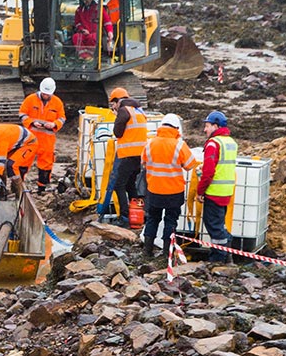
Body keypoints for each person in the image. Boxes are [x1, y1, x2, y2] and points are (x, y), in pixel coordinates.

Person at [139, 112, 195, 263]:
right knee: (170, 221)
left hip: (154, 190)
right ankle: (166, 253)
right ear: (177, 128)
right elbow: (191, 165)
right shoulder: (179, 145)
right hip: (173, 192)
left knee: (152, 219)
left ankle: (147, 250)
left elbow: (143, 162)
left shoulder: (150, 143)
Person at [194, 110, 237, 259]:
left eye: (207, 126)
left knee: (214, 226)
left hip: (214, 192)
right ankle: (227, 249)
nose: (205, 129)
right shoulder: (231, 142)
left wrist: (200, 191)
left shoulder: (213, 144)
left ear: (215, 126)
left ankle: (219, 257)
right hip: (226, 191)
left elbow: (209, 172)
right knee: (219, 224)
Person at [100, 87, 147, 226]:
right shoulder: (138, 110)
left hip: (128, 155)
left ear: (117, 101)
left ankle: (125, 216)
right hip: (139, 156)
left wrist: (117, 116)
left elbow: (118, 132)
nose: (113, 107)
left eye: (113, 104)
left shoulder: (123, 110)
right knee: (130, 184)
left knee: (119, 185)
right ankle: (136, 213)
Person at [18, 78, 67, 194]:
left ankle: (42, 188)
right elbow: (22, 114)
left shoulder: (57, 102)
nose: (45, 96)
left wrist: (54, 124)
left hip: (47, 139)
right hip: (30, 138)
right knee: (24, 161)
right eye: (44, 93)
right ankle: (19, 185)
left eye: (48, 94)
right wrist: (32, 122)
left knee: (46, 165)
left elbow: (62, 118)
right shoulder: (30, 99)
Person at [0, 119, 38, 188]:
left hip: (29, 143)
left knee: (12, 165)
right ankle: (5, 187)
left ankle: (18, 189)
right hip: (16, 145)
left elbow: (1, 160)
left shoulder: (0, 138)